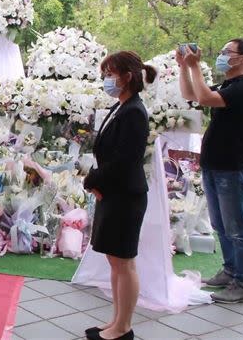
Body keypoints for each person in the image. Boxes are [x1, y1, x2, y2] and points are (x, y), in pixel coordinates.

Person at [177, 39, 243, 304]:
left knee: (237, 227)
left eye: (227, 52)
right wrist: (183, 67)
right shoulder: (228, 86)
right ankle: (230, 270)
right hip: (215, 166)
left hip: (233, 169)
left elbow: (204, 97)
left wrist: (196, 65)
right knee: (221, 226)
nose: (222, 56)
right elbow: (192, 95)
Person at [83, 51, 156, 340]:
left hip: (126, 195)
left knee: (124, 263)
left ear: (127, 77)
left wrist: (92, 179)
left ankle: (124, 326)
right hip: (114, 193)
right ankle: (115, 320)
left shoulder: (135, 111)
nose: (106, 79)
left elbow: (125, 159)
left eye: (110, 74)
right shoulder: (122, 106)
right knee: (115, 261)